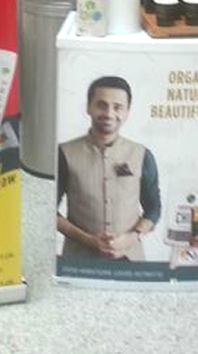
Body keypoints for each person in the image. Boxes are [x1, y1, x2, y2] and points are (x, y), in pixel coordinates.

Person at [57, 76, 160, 261]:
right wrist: (88, 240)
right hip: (78, 261)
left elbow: (153, 208)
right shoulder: (64, 153)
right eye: (101, 105)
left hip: (131, 261)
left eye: (117, 107)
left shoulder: (142, 155)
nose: (109, 113)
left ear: (127, 112)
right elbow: (48, 210)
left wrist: (132, 237)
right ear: (88, 107)